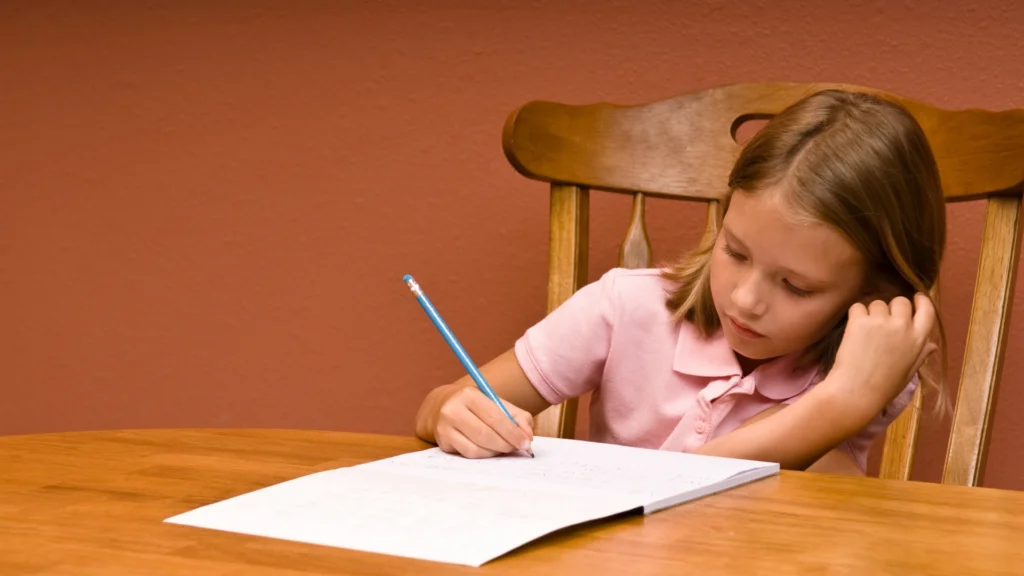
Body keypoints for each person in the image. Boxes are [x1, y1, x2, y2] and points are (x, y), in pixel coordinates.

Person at [414, 89, 947, 475]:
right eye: (735, 251)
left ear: (874, 295)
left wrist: (843, 400)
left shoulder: (863, 369)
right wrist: (447, 411)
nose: (745, 299)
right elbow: (443, 404)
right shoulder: (625, 307)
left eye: (796, 286)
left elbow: (820, 513)